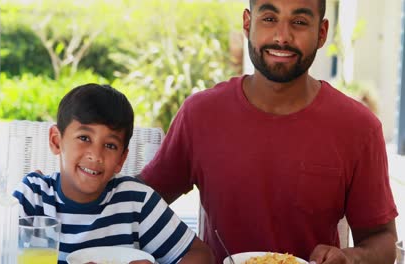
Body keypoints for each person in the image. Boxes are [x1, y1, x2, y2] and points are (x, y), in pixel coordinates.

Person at [139, 0, 398, 263]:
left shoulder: (358, 127)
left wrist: (349, 258)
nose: (282, 37)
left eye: (299, 22)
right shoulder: (200, 114)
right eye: (269, 19)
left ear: (321, 33)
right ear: (247, 24)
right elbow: (137, 205)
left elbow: (383, 241)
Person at [13, 83, 214, 264]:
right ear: (57, 141)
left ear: (121, 159)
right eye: (84, 137)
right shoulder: (35, 197)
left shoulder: (135, 201)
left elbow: (201, 255)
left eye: (110, 145)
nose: (96, 155)